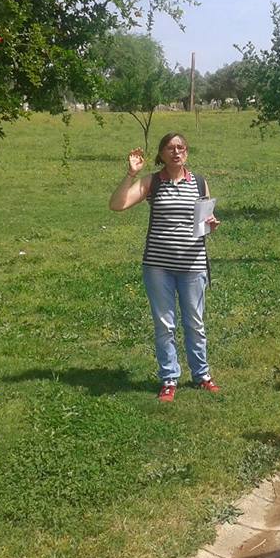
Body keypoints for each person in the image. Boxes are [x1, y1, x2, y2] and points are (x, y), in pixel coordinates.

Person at [109, 132, 221, 403]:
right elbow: (117, 205)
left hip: (193, 264)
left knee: (195, 323)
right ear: (161, 154)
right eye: (170, 148)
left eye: (181, 147)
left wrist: (211, 225)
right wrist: (131, 174)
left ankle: (201, 375)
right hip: (158, 266)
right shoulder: (153, 182)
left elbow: (204, 222)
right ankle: (169, 379)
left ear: (187, 152)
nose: (176, 152)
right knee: (165, 325)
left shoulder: (199, 183)